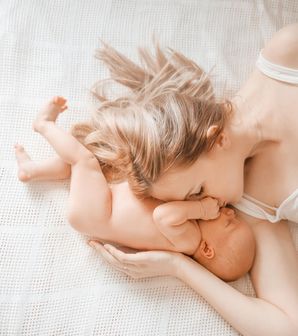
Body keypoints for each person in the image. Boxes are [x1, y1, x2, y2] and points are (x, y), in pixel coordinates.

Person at [76, 25, 297, 336]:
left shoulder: (285, 57)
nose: (205, 205)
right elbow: (289, 334)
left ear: (214, 139)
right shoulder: (252, 207)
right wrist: (178, 267)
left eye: (197, 190)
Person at [14, 96, 255, 282]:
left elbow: (164, 216)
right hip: (103, 203)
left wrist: (202, 209)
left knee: (83, 161)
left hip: (98, 213)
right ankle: (33, 170)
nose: (232, 213)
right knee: (90, 166)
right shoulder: (190, 227)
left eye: (230, 223)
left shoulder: (190, 241)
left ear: (207, 249)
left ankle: (44, 125)